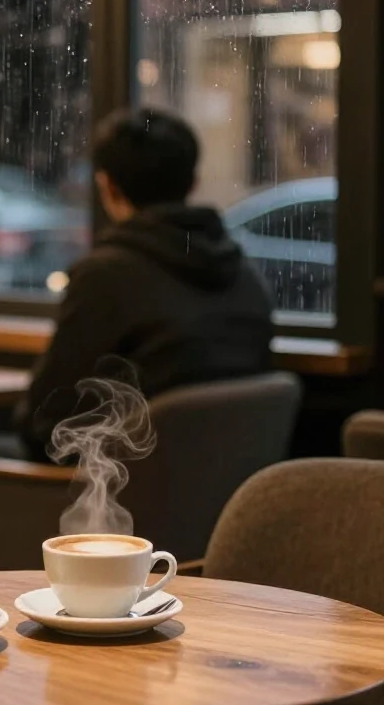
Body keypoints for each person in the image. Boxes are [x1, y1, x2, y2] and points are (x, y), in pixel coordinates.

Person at [15, 107, 273, 461]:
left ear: (107, 186)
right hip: (222, 493)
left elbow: (44, 424)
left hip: (122, 494)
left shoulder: (105, 277)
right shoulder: (244, 274)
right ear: (193, 182)